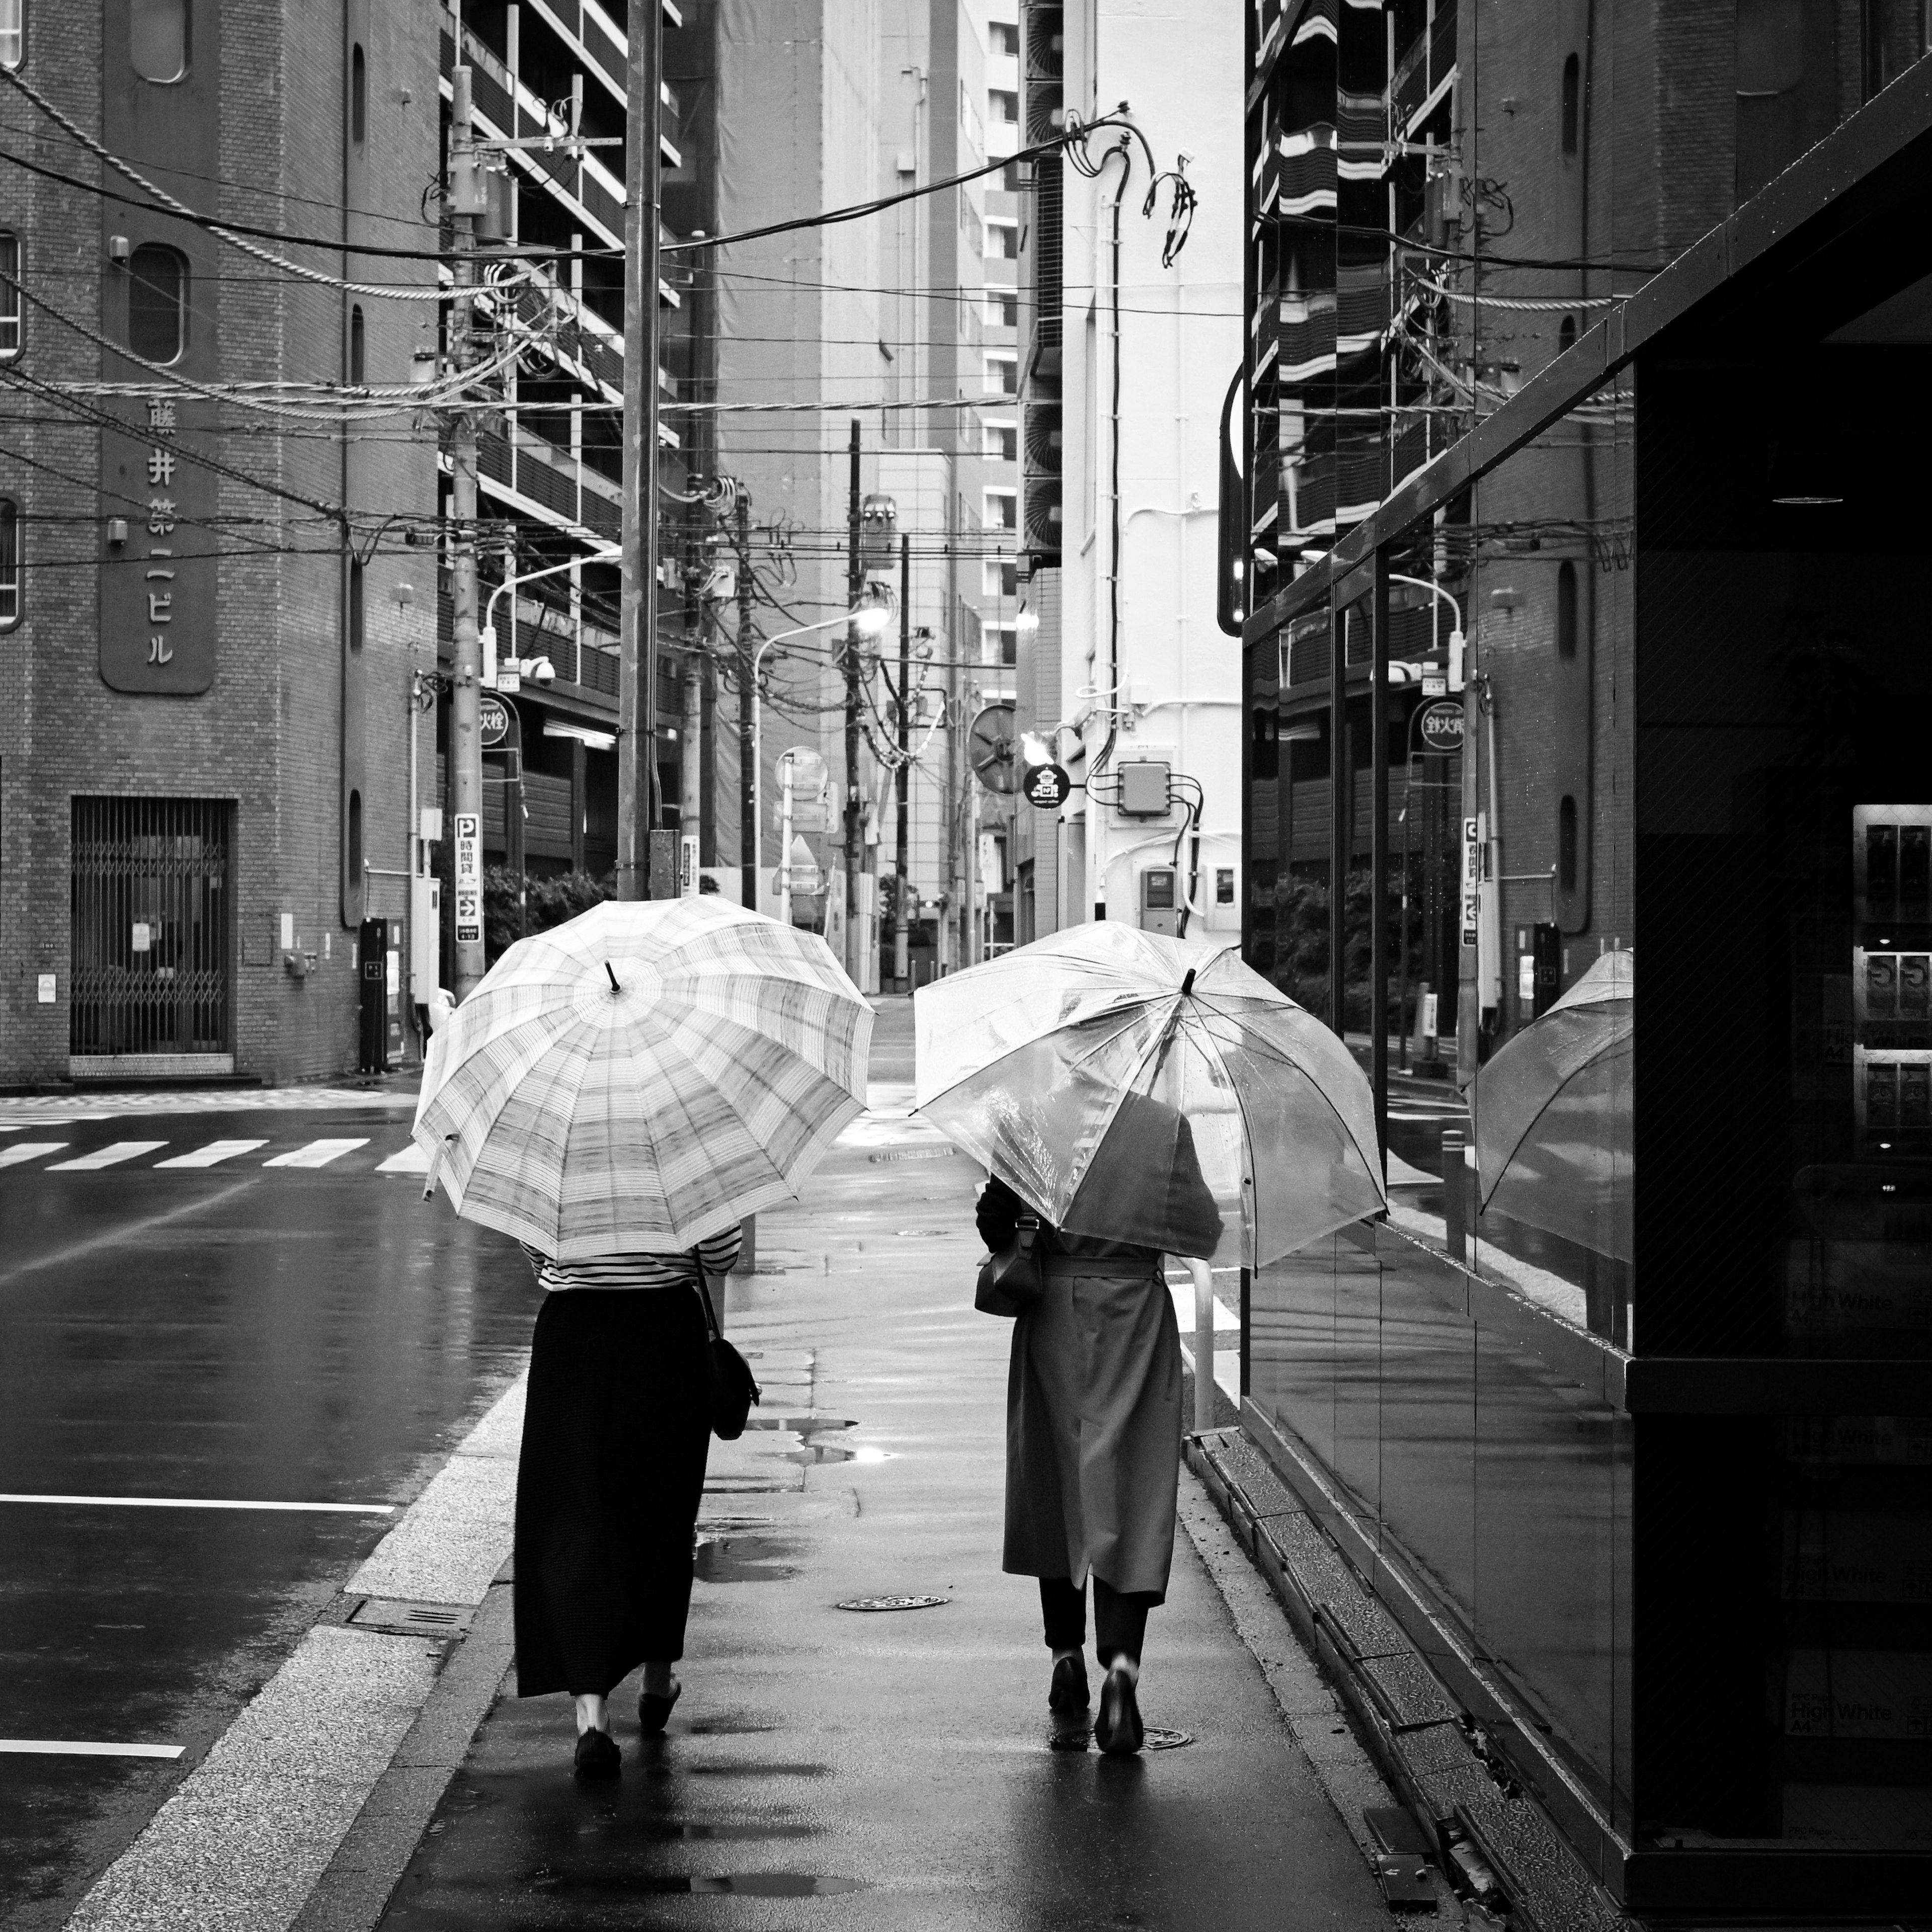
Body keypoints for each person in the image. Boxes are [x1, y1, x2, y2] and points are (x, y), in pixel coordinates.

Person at [978, 1103, 1222, 1756]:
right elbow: (1202, 1232)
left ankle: (1065, 1651)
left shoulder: (1030, 1120)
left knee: (1054, 1483)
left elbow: (992, 1224)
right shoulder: (1164, 1128)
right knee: (1131, 1490)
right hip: (1134, 1319)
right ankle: (1122, 1667)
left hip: (1052, 1314)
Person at [512, 1223, 742, 1779]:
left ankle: (592, 1718)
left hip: (574, 1339)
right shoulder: (680, 1148)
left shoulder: (559, 1153)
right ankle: (657, 1682)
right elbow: (720, 1255)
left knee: (575, 1514)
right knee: (660, 1515)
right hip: (665, 1337)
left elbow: (535, 1241)